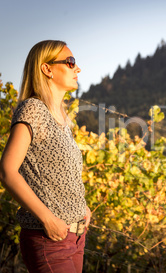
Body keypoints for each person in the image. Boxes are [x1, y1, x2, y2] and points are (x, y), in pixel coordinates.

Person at [0, 40, 91, 273]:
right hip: (49, 239)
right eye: (70, 62)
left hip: (75, 238)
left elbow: (62, 175)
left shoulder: (61, 117)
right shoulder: (32, 109)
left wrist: (83, 208)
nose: (77, 68)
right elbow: (7, 171)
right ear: (47, 69)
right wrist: (48, 220)